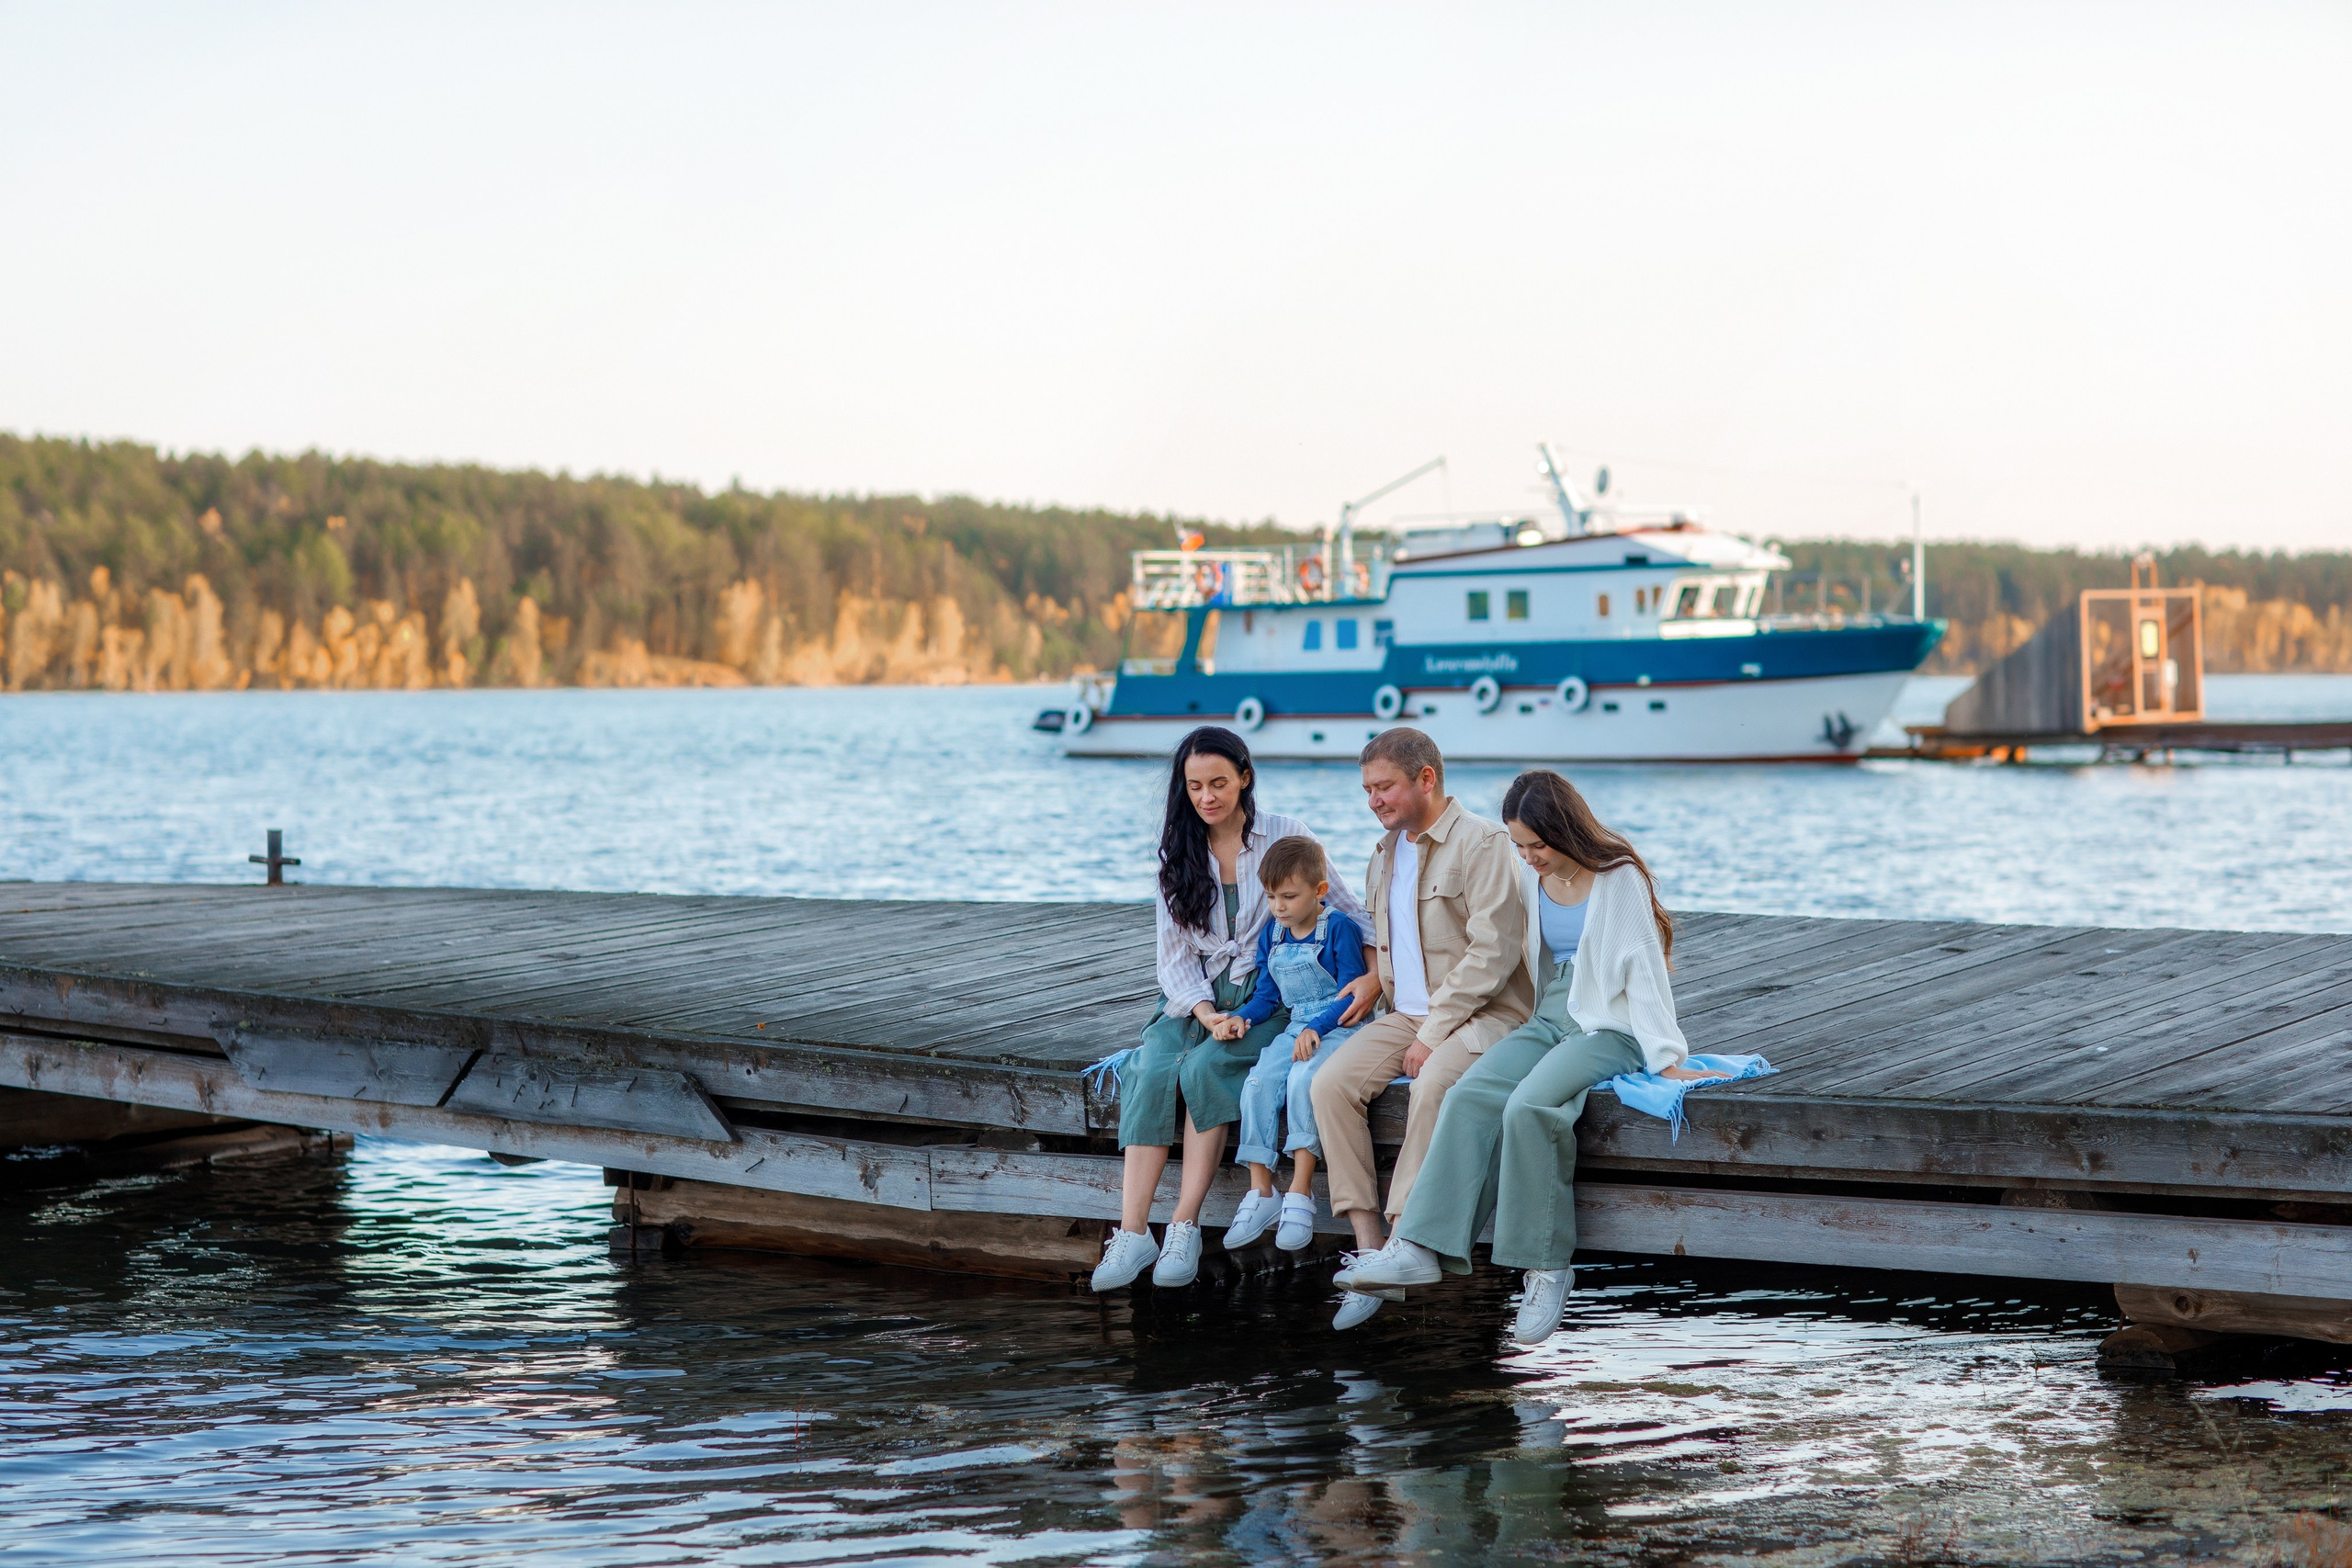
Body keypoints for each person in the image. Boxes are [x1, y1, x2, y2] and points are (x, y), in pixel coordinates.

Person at [1340, 768, 1725, 1344]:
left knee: (1529, 1107)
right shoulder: (1529, 877)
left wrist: (1666, 1057)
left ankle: (1546, 1267)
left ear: (1566, 831)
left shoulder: (1617, 876)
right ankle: (1421, 1246)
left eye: (1537, 845)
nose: (1527, 856)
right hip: (1548, 1015)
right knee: (1469, 1094)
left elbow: (1644, 972)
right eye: (1519, 845)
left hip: (1609, 1025)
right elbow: (1511, 953)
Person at [1091, 726, 1380, 1293]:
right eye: (1195, 786)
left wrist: (1372, 977)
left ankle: (1183, 1225)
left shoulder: (1286, 835)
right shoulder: (1176, 854)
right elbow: (1172, 959)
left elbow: (1349, 910)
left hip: (1264, 992)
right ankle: (1132, 1233)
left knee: (1206, 1068)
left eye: (1219, 783)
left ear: (1245, 778)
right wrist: (1204, 1014)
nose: (1207, 797)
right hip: (1195, 995)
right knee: (1150, 1068)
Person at [1308, 727, 1533, 1329]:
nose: (1374, 800)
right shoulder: (1383, 852)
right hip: (1404, 1012)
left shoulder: (1482, 842)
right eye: (1368, 789)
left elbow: (1494, 950)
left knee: (1434, 1083)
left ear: (1426, 778)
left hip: (1485, 1013)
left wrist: (1434, 1032)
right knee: (1328, 1084)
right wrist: (1373, 979)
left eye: (1384, 787)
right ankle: (1371, 1245)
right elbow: (1393, 944)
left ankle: (1410, 1239)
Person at [1215, 835, 1369, 1255]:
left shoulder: (1338, 928)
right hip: (1296, 1027)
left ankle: (1300, 1190)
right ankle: (1263, 1190)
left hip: (1339, 1026)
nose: (1279, 907)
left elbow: (1353, 994)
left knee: (1304, 1082)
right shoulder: (1273, 934)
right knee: (1259, 1082)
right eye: (1270, 897)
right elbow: (1267, 995)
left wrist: (1317, 1027)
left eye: (1289, 896)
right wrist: (1241, 1017)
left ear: (1319, 891)